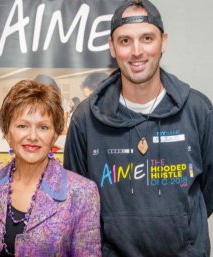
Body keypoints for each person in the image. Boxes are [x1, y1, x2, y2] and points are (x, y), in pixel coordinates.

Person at [64, 0, 213, 256]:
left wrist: (181, 226)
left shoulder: (198, 111)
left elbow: (207, 192)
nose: (136, 51)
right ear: (111, 47)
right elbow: (77, 200)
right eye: (124, 41)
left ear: (163, 42)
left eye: (147, 38)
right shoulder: (85, 120)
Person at [0, 80, 101, 257]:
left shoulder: (82, 192)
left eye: (43, 127)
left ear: (55, 134)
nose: (32, 136)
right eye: (22, 126)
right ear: (6, 131)